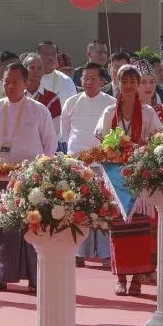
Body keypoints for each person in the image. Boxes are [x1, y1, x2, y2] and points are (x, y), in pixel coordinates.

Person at [0, 61, 58, 293]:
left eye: (15, 81)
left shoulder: (38, 109)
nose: (10, 85)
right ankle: (0, 276)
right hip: (2, 178)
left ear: (26, 83)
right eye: (6, 81)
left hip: (30, 180)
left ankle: (35, 279)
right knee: (2, 229)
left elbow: (50, 145)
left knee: (32, 228)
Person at [95, 64, 160, 296]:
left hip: (140, 175)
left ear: (139, 84)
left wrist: (139, 147)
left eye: (134, 81)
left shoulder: (149, 112)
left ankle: (138, 280)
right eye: (125, 81)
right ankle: (121, 278)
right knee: (119, 229)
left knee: (141, 230)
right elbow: (102, 142)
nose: (129, 86)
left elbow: (156, 141)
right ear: (118, 83)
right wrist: (115, 147)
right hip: (115, 177)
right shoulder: (108, 113)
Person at [64, 62, 114, 267]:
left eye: (93, 79)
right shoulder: (72, 102)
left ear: (102, 81)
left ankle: (105, 254)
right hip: (77, 163)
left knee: (102, 208)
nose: (89, 82)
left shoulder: (111, 103)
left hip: (102, 164)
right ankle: (77, 251)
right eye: (85, 78)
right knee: (76, 207)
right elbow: (66, 131)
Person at [36, 42, 77, 148]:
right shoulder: (29, 80)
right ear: (37, 55)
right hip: (33, 140)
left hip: (59, 141)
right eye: (46, 54)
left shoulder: (66, 81)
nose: (50, 57)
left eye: (53, 54)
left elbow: (73, 113)